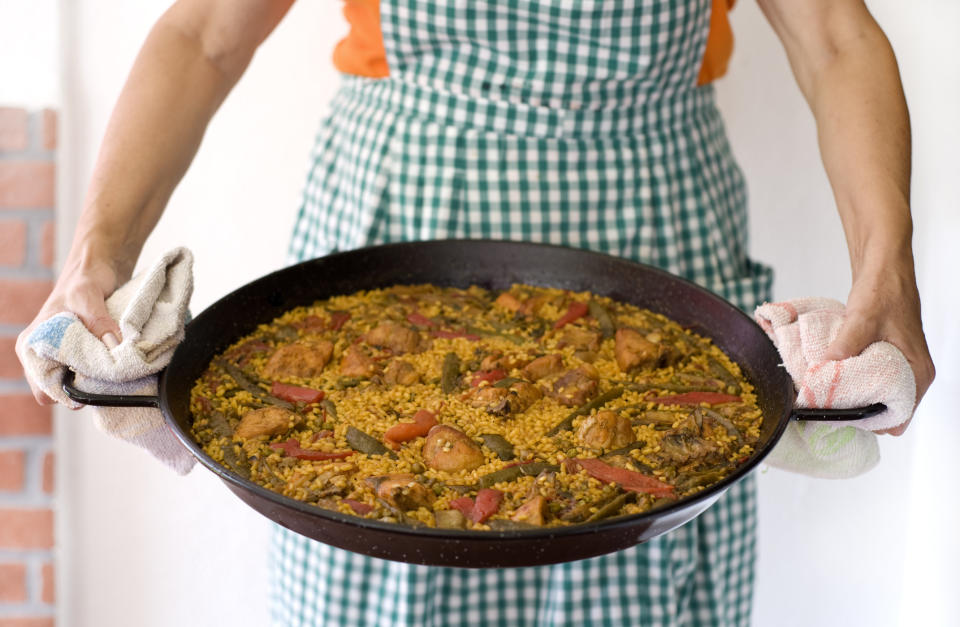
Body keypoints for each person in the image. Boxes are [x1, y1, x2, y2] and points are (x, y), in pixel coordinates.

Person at [15, 0, 935, 624]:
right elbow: (205, 33)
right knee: (367, 556)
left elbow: (835, 38)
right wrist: (96, 256)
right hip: (395, 210)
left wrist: (886, 265)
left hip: (651, 222)